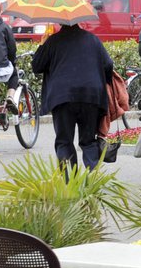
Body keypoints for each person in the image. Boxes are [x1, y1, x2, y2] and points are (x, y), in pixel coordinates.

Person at [32, 23, 114, 170]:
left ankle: (69, 182)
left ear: (60, 23)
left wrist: (42, 44)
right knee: (88, 142)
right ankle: (94, 182)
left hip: (62, 97)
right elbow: (108, 64)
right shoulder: (93, 40)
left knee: (64, 142)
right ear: (78, 22)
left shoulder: (53, 41)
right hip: (91, 96)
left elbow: (37, 66)